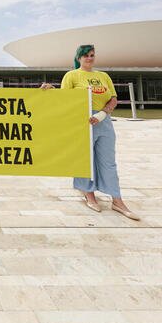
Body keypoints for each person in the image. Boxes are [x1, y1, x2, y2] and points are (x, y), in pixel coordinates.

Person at [57, 45, 139, 220]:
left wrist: (103, 113)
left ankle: (117, 200)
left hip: (104, 121)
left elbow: (113, 98)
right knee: (84, 159)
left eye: (92, 55)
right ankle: (89, 194)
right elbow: (63, 100)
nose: (89, 58)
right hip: (82, 122)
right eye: (85, 55)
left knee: (109, 161)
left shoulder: (103, 76)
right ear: (78, 58)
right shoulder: (72, 76)